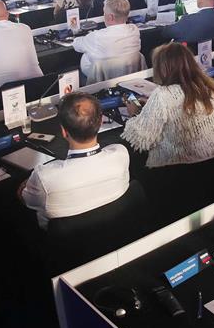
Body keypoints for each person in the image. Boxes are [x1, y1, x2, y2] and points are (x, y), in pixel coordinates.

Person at [18, 92, 130, 228]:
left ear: (64, 132)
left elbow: (25, 199)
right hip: (114, 229)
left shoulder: (44, 177)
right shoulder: (120, 154)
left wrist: (28, 183)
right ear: (100, 123)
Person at [122, 42, 214, 168]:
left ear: (162, 69)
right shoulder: (209, 88)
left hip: (178, 170)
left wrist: (135, 112)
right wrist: (152, 106)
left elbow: (140, 138)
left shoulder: (163, 94)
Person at [73, 0, 142, 83]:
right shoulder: (134, 30)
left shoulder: (97, 37)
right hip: (130, 79)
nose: (103, 15)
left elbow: (76, 45)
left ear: (110, 17)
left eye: (104, 13)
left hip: (98, 84)